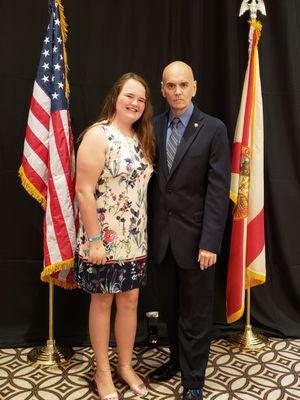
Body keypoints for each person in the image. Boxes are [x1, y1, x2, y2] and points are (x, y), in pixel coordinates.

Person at [148, 61, 230, 400]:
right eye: (171, 85)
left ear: (194, 87)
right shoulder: (151, 127)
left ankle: (193, 380)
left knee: (195, 314)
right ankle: (177, 361)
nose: (177, 91)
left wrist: (210, 241)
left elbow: (217, 190)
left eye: (183, 85)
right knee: (171, 309)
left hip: (198, 241)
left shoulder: (213, 129)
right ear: (163, 89)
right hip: (162, 239)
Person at [74, 72, 155, 400]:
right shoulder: (98, 135)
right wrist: (94, 240)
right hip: (102, 240)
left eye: (141, 99)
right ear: (115, 97)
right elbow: (83, 190)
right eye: (129, 96)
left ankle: (124, 365)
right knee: (103, 300)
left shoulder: (139, 137)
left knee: (130, 301)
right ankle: (102, 372)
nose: (135, 103)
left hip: (135, 240)